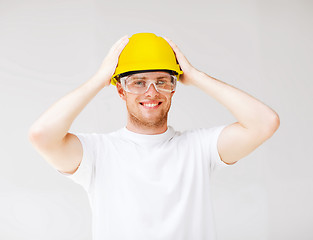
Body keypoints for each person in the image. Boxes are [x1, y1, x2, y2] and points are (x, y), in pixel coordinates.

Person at [28, 32, 280, 240]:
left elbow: (265, 123)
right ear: (120, 90)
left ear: (174, 88)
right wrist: (98, 79)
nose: (152, 92)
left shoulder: (199, 148)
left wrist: (197, 76)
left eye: (162, 81)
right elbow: (42, 135)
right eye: (138, 82)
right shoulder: (98, 152)